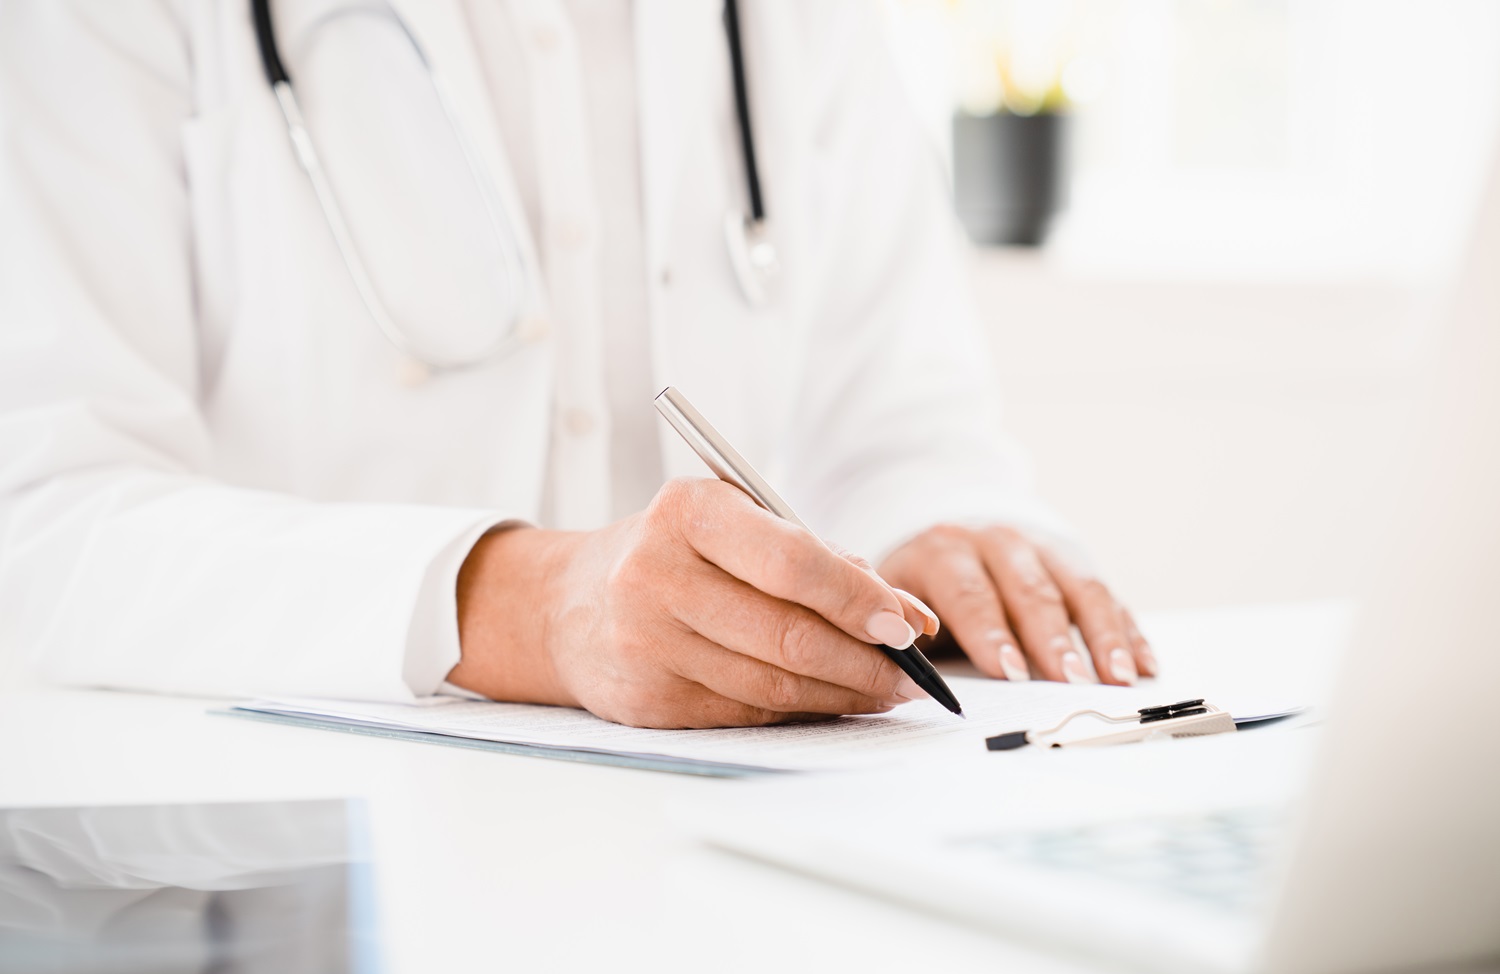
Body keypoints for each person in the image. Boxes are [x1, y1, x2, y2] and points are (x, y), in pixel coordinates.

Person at [0, 0, 1154, 729]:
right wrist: (533, 608)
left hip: (739, 856)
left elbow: (903, 428)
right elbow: (43, 522)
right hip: (265, 870)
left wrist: (938, 538)